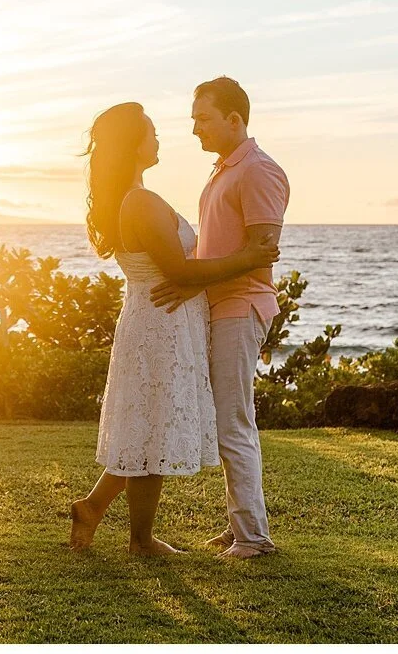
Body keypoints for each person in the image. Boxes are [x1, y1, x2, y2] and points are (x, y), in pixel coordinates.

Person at [69, 101, 280, 556]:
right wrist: (251, 258)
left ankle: (108, 517)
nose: (160, 137)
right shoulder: (140, 202)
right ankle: (136, 538)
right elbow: (179, 271)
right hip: (157, 328)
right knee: (152, 425)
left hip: (157, 320)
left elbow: (179, 271)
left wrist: (195, 278)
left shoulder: (136, 197)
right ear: (133, 145)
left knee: (150, 424)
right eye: (151, 130)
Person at [151, 77, 290, 559]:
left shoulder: (258, 171)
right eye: (193, 119)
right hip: (220, 305)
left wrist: (190, 278)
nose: (195, 129)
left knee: (234, 421)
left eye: (203, 119)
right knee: (230, 418)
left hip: (240, 305)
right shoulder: (225, 170)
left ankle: (253, 537)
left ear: (234, 119)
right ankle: (241, 526)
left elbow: (260, 251)